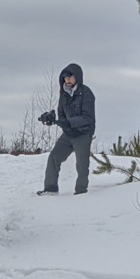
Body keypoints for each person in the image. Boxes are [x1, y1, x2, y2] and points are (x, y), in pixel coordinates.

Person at [38, 63, 96, 196]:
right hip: (69, 134)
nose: (67, 80)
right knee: (54, 157)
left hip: (83, 133)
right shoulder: (63, 94)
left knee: (82, 164)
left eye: (70, 77)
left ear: (77, 77)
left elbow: (88, 118)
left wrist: (68, 122)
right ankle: (50, 188)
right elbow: (61, 113)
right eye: (65, 78)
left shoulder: (86, 93)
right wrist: (53, 120)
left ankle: (81, 192)